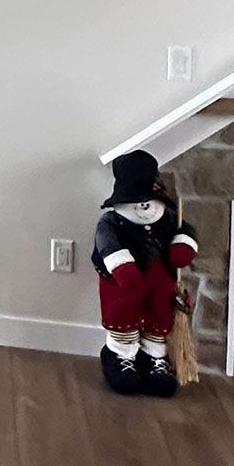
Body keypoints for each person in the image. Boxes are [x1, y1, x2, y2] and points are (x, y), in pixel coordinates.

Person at [94, 149, 197, 397]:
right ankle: (120, 354)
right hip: (124, 282)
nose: (143, 205)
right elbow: (106, 244)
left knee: (160, 313)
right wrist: (121, 266)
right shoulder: (112, 221)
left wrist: (183, 244)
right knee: (123, 312)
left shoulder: (168, 216)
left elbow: (185, 231)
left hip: (159, 280)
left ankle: (154, 358)